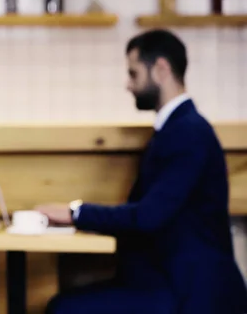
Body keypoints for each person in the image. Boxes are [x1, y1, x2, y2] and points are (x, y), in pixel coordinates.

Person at [36, 29, 247, 314]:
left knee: (63, 309)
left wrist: (76, 213)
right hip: (170, 282)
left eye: (133, 73)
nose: (127, 84)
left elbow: (148, 216)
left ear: (161, 69)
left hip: (191, 292)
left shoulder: (188, 132)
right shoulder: (177, 129)